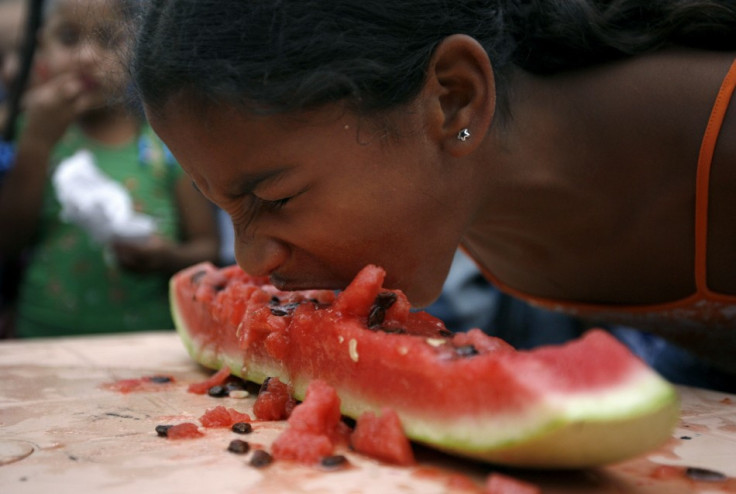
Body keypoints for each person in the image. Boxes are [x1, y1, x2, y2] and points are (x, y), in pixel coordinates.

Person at [130, 1, 736, 377]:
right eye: (225, 209)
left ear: (452, 98)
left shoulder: (720, 140)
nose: (251, 263)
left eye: (276, 198)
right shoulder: (450, 191)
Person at [0, 0, 220, 337]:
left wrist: (166, 258)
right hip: (41, 337)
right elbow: (8, 244)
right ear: (43, 47)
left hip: (142, 342)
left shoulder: (163, 142)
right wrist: (36, 145)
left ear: (139, 49)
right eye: (69, 38)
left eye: (109, 40)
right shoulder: (31, 130)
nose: (87, 57)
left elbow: (207, 247)